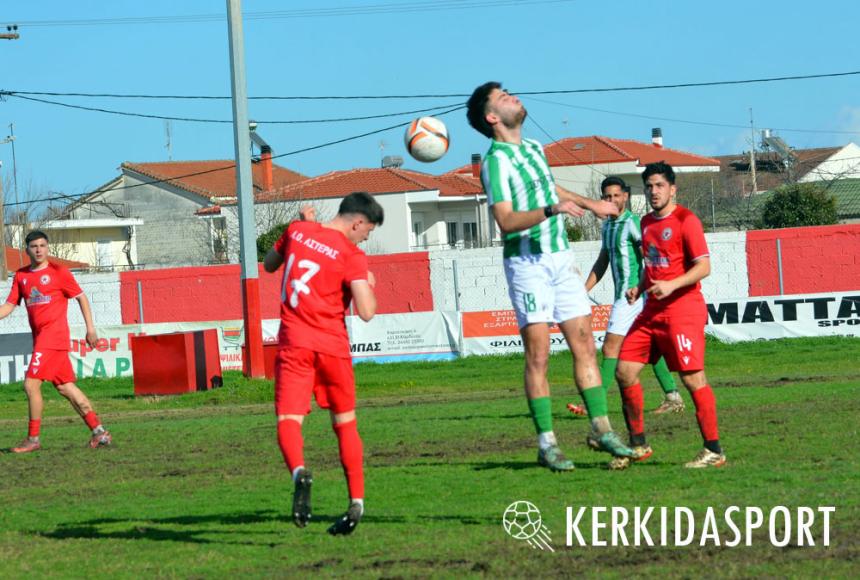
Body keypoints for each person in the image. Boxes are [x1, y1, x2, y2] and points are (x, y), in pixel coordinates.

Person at [466, 81, 635, 472]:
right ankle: (547, 443)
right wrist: (552, 210)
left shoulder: (534, 149)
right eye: (502, 97)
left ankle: (600, 428)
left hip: (559, 258)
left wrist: (590, 203)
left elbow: (548, 186)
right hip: (526, 264)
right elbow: (506, 221)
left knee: (584, 344)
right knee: (539, 354)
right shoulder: (495, 162)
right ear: (492, 117)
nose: (512, 96)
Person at [263, 192, 383, 535]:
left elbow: (270, 265)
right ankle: (356, 503)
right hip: (332, 348)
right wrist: (370, 285)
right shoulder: (352, 255)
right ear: (357, 222)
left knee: (289, 419)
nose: (364, 238)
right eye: (367, 232)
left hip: (295, 343)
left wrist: (302, 224)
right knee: (345, 424)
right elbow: (367, 311)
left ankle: (299, 472)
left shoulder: (298, 230)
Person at [614, 161, 726, 470]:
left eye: (659, 185)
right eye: (649, 186)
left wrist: (672, 284)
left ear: (672, 188)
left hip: (683, 309)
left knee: (692, 379)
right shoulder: (646, 223)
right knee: (624, 371)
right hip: (651, 310)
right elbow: (653, 265)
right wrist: (640, 287)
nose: (653, 191)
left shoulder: (686, 220)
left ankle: (713, 449)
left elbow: (703, 267)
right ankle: (638, 445)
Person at [567, 176, 683, 417]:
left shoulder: (633, 223)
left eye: (616, 196)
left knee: (610, 349)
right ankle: (673, 396)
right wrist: (583, 290)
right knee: (651, 349)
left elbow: (649, 259)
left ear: (626, 197)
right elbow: (603, 261)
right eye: (607, 197)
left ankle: (593, 404)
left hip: (631, 297)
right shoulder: (608, 225)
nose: (612, 200)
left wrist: (642, 289)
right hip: (629, 297)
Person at [1, 230, 112, 453]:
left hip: (53, 336)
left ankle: (33, 439)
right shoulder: (21, 276)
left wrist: (91, 329)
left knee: (31, 384)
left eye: (43, 245)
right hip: (44, 338)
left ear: (47, 247)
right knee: (64, 387)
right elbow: (9, 305)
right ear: (27, 250)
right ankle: (99, 431)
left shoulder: (58, 272)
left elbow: (81, 296)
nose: (39, 249)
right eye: (34, 246)